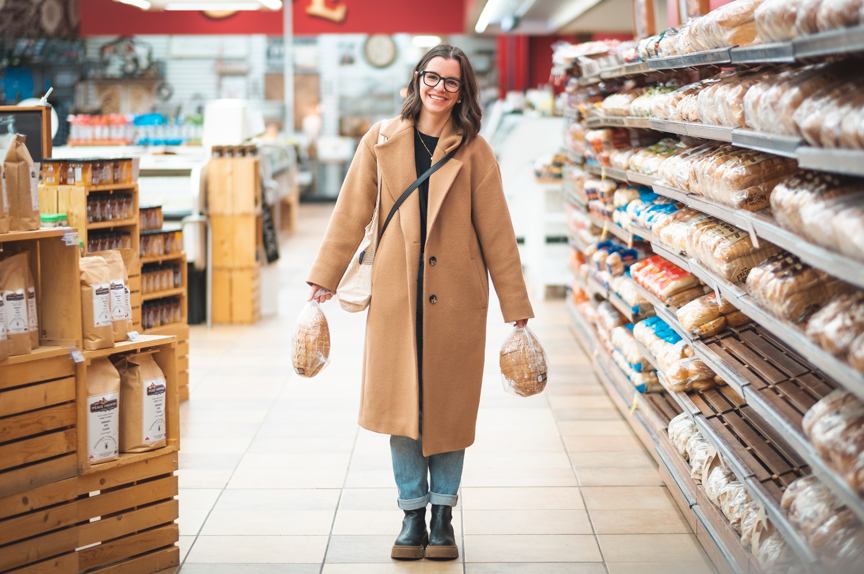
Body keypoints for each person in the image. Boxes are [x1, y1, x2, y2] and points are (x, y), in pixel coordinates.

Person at [306, 44, 533, 561]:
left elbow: (497, 232)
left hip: (457, 296)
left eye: (452, 82)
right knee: (401, 405)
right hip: (395, 293)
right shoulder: (381, 140)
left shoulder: (475, 150)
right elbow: (350, 213)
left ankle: (443, 515)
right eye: (433, 77)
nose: (439, 89)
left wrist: (514, 304)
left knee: (448, 408)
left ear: (462, 92)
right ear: (417, 79)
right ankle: (411, 513)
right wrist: (324, 276)